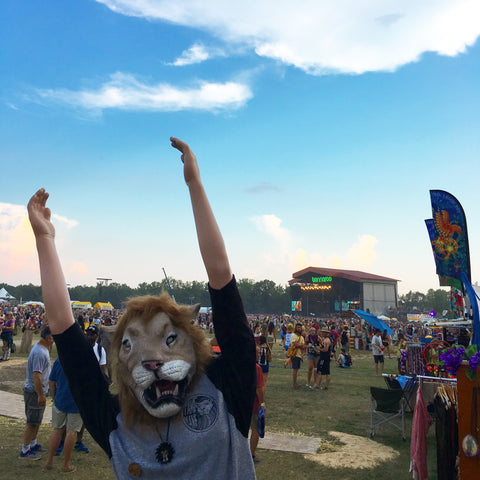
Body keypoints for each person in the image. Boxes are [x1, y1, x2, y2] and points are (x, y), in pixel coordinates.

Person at [27, 137, 257, 479]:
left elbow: (221, 278)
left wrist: (195, 185)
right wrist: (44, 240)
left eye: (169, 339)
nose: (154, 361)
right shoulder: (116, 421)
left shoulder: (224, 389)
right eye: (130, 345)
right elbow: (63, 326)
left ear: (192, 342)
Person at [19, 326, 53, 460]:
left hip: (38, 391)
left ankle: (33, 444)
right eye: (53, 337)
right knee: (32, 422)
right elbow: (37, 375)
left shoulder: (43, 350)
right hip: (34, 392)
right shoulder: (40, 352)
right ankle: (25, 450)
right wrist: (40, 394)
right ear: (49, 338)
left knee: (37, 420)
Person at [45, 358, 83, 473]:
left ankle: (49, 461)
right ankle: (66, 465)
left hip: (60, 400)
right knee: (71, 432)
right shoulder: (82, 361)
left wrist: (53, 397)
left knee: (57, 430)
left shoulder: (59, 361)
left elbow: (51, 381)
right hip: (76, 403)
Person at [249, 346, 265, 463]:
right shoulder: (256, 368)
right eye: (258, 353)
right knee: (256, 430)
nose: (259, 355)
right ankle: (251, 454)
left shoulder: (240, 365)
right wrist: (262, 403)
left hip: (242, 403)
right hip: (254, 404)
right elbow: (259, 388)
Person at [289, 323, 305, 389]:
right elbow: (296, 345)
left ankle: (295, 383)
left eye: (300, 327)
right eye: (298, 327)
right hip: (294, 354)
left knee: (297, 369)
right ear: (296, 328)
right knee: (295, 369)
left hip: (299, 355)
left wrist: (300, 345)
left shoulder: (301, 337)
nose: (299, 329)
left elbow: (303, 347)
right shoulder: (293, 335)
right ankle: (294, 383)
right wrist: (300, 345)